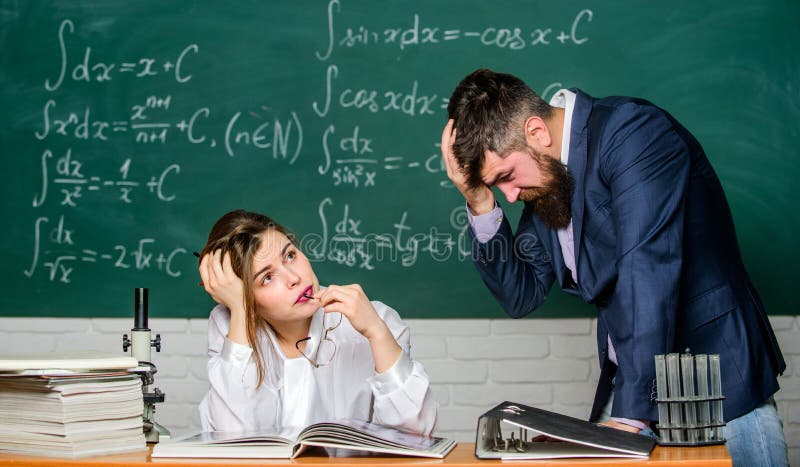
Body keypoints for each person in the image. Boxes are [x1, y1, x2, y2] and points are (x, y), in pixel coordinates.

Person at [441, 69, 787, 465]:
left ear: (536, 131)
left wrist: (629, 415)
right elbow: (521, 294)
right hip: (635, 384)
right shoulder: (543, 178)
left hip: (716, 375)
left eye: (505, 177)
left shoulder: (634, 132)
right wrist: (480, 202)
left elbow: (648, 269)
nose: (511, 196)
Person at [196, 209, 437, 435]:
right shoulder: (232, 327)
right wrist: (240, 310)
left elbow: (416, 434)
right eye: (267, 278)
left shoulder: (373, 319)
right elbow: (231, 439)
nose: (294, 278)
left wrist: (376, 332)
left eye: (290, 255)